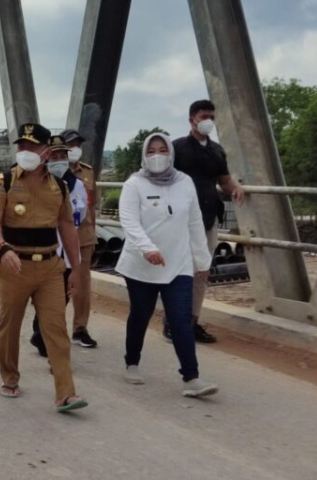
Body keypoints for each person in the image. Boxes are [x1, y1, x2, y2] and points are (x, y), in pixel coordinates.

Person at [0, 123, 88, 412]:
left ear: (46, 151)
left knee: (55, 328)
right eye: (22, 146)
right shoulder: (2, 181)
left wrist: (76, 269)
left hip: (50, 268)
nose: (25, 151)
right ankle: (10, 376)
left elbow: (67, 226)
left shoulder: (60, 186)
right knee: (10, 325)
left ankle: (66, 393)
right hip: (14, 267)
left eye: (31, 146)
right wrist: (2, 248)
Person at [117, 132, 218, 397]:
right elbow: (129, 221)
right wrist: (147, 248)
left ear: (171, 154)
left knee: (181, 320)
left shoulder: (184, 182)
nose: (157, 156)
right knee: (140, 315)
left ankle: (191, 377)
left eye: (163, 150)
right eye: (151, 151)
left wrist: (202, 260)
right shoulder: (134, 184)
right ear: (144, 156)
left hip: (178, 264)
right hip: (141, 265)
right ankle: (132, 362)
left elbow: (195, 223)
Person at [171, 100, 245, 343]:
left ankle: (192, 322)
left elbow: (224, 180)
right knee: (181, 272)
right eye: (204, 116)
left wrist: (236, 188)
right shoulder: (177, 149)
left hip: (209, 217)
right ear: (192, 119)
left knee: (202, 272)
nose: (208, 121)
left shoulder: (217, 151)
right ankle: (172, 323)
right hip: (182, 220)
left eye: (211, 116)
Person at [30, 135, 89, 357]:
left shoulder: (78, 186)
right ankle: (44, 338)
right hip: (43, 252)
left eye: (63, 156)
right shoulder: (36, 183)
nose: (59, 160)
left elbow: (79, 216)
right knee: (46, 299)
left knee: (61, 299)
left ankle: (41, 335)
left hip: (66, 253)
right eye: (54, 155)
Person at [58, 129, 98, 348]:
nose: (75, 148)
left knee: (82, 283)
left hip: (83, 235)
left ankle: (80, 328)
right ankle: (50, 326)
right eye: (70, 144)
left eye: (78, 144)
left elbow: (92, 205)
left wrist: (94, 233)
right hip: (57, 237)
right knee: (56, 284)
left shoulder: (87, 172)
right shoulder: (53, 169)